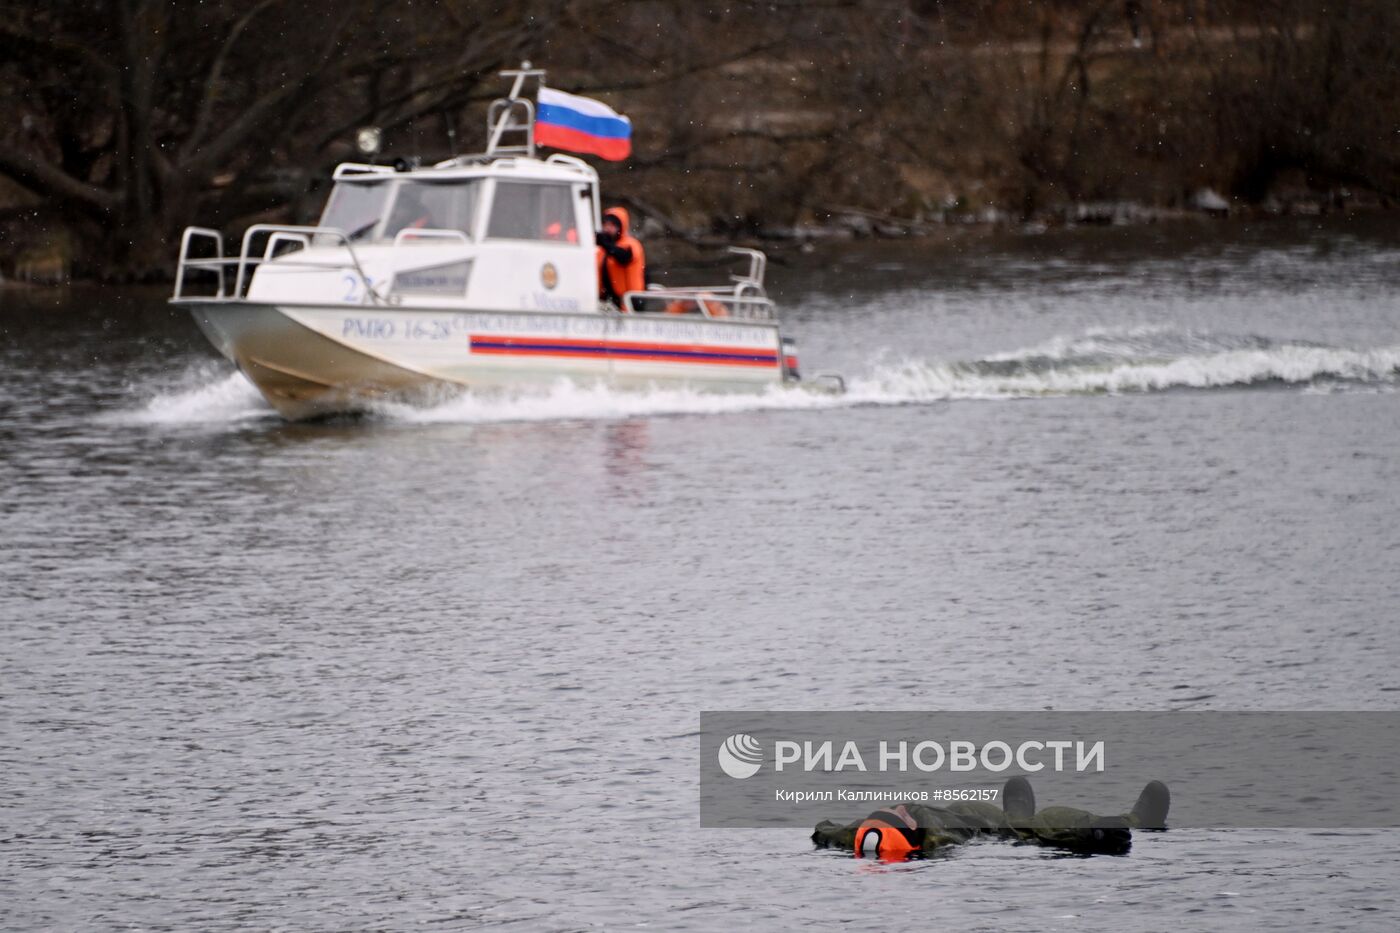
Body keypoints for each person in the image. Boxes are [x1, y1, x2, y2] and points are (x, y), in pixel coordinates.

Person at [812, 776, 1171, 860]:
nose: (897, 810)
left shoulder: (859, 834)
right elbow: (1040, 842)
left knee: (1003, 812)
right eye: (898, 817)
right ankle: (1139, 818)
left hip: (964, 812)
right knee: (1039, 823)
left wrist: (824, 832)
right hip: (987, 831)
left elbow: (823, 831)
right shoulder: (937, 841)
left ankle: (1016, 811)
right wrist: (1091, 837)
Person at [596, 207, 645, 309]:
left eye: (613, 225)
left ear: (621, 227)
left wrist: (606, 245)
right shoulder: (600, 250)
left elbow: (624, 258)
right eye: (605, 224)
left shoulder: (631, 244)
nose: (608, 228)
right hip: (606, 304)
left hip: (629, 304)